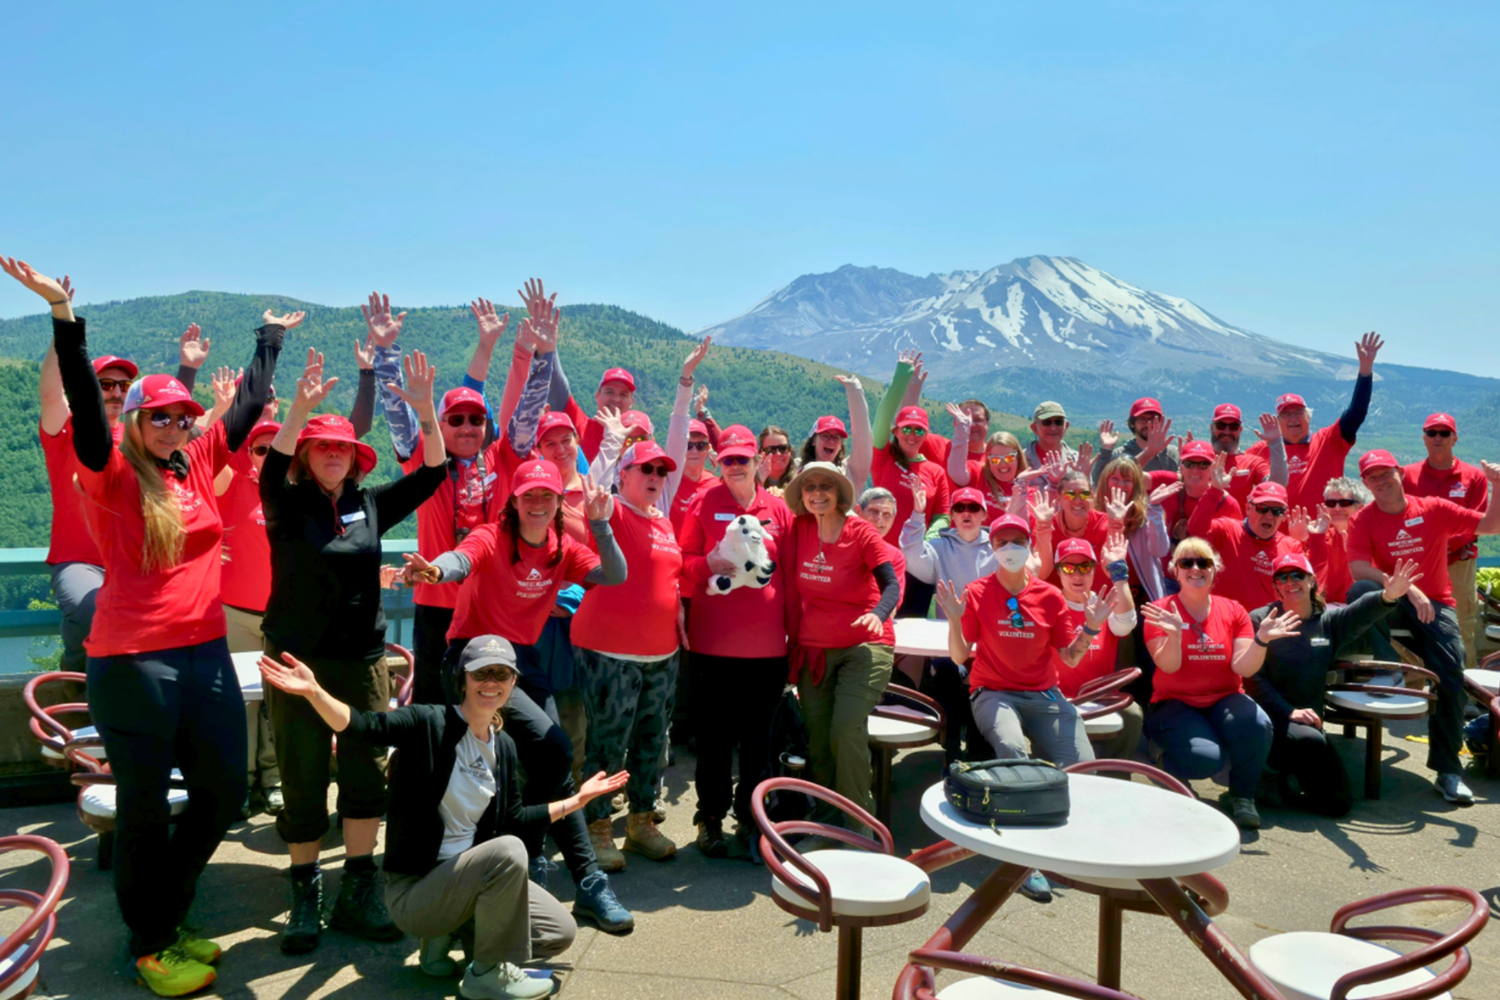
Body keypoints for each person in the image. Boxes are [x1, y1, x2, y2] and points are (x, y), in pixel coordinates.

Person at [32, 250, 284, 996]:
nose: (176, 424)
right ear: (134, 419)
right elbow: (83, 401)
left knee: (222, 797)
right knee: (144, 809)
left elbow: (246, 408)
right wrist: (64, 319)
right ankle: (150, 942)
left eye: (183, 414)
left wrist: (268, 335)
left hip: (205, 655)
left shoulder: (195, 462)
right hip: (135, 663)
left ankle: (167, 915)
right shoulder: (109, 473)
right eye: (159, 415)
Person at [258, 635, 629, 1000]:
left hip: (467, 881)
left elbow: (514, 817)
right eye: (481, 673)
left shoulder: (506, 748)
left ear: (514, 682)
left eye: (501, 674)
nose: (491, 683)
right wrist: (314, 693)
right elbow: (361, 725)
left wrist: (577, 800)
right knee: (509, 852)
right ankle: (485, 973)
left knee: (558, 931)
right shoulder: (428, 723)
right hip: (416, 890)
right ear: (462, 679)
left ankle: (452, 936)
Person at [259, 348, 448, 955]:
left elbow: (433, 475)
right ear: (308, 457)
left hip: (365, 661)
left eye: (342, 447)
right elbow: (270, 469)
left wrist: (425, 412)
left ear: (355, 458)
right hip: (295, 663)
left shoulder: (369, 505)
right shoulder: (286, 506)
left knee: (367, 774)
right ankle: (305, 893)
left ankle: (358, 888)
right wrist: (299, 411)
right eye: (322, 446)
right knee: (303, 773)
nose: (334, 453)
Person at [400, 457, 634, 934]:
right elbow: (461, 559)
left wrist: (599, 523)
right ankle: (551, 872)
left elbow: (615, 576)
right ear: (514, 501)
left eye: (548, 497)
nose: (539, 504)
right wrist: (435, 573)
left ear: (556, 504)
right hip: (474, 658)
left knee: (552, 760)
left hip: (523, 661)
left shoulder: (562, 549)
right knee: (543, 753)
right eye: (530, 496)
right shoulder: (493, 535)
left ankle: (573, 878)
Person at [15, 257, 214, 674]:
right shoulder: (67, 428)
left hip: (135, 553)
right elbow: (53, 393)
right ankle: (76, 674)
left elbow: (176, 422)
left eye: (124, 386)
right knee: (92, 612)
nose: (116, 392)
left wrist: (188, 370)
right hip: (80, 559)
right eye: (105, 384)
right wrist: (61, 319)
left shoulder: (141, 436)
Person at [215, 349, 377, 820]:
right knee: (242, 709)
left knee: (276, 715)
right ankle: (240, 783)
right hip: (236, 612)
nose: (268, 454)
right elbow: (199, 460)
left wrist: (366, 374)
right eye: (259, 447)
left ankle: (272, 783)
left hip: (283, 619)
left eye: (274, 447)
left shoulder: (303, 500)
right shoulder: (233, 483)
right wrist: (231, 406)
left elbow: (350, 435)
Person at [366, 286, 543, 706]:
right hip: (437, 604)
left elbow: (529, 410)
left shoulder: (503, 458)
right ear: (441, 425)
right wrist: (385, 351)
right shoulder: (426, 466)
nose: (467, 427)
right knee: (435, 707)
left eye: (476, 420)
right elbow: (398, 410)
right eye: (457, 420)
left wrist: (544, 354)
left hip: (493, 607)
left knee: (495, 709)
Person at [571, 336, 707, 866]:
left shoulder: (665, 522)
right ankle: (597, 828)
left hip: (660, 656)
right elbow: (595, 487)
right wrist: (611, 446)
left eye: (659, 473)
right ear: (625, 474)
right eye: (644, 470)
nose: (654, 477)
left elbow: (667, 579)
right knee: (607, 744)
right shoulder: (609, 511)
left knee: (653, 743)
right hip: (609, 653)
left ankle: (641, 824)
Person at [1346, 449, 1500, 805]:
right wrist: (1407, 588)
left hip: (1436, 604)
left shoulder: (1432, 508)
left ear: (1400, 472)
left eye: (1386, 473)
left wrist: (1495, 485)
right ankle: (1388, 670)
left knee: (1451, 670)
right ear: (1366, 483)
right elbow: (1357, 568)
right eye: (1372, 477)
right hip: (1396, 600)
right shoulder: (1364, 519)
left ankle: (1448, 772)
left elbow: (1491, 526)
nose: (1380, 481)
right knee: (1362, 592)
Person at [678, 424, 795, 860]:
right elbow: (683, 563)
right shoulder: (703, 503)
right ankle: (709, 819)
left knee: (758, 744)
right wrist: (707, 564)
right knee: (712, 741)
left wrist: (795, 637)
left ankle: (751, 821)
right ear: (718, 462)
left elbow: (790, 576)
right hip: (712, 645)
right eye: (727, 460)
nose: (735, 467)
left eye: (742, 459)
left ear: (757, 462)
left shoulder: (778, 509)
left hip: (767, 649)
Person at [1246, 554, 1416, 818]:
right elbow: (1252, 678)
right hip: (1269, 716)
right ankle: (1269, 773)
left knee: (1337, 805)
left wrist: (1388, 596)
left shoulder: (1327, 622)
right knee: (1307, 739)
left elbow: (1359, 613)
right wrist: (1288, 711)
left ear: (1312, 581)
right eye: (1282, 577)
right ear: (1276, 587)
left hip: (1309, 719)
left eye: (1297, 575)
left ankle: (1293, 772)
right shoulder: (1260, 620)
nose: (1290, 581)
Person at [1142, 538, 1293, 830]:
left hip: (1224, 697)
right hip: (1174, 702)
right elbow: (1168, 666)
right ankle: (1159, 757)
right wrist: (1174, 635)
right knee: (1204, 760)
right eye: (1187, 562)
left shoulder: (1233, 610)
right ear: (1175, 570)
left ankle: (1242, 796)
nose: (1195, 568)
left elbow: (1242, 666)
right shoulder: (1160, 611)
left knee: (1258, 724)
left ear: (1215, 570)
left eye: (1204, 562)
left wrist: (1262, 641)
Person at [783, 461, 901, 833]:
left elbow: (891, 586)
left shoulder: (862, 532)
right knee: (818, 739)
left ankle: (859, 829)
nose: (817, 493)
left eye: (826, 487)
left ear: (839, 494)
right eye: (810, 487)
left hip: (865, 646)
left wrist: (878, 614)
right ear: (802, 495)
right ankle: (827, 822)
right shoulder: (799, 529)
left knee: (846, 731)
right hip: (815, 650)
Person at [901, 486, 997, 763]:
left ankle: (980, 751)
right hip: (948, 639)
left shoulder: (997, 546)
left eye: (973, 508)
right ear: (952, 515)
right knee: (947, 678)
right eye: (960, 508)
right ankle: (951, 749)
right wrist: (918, 515)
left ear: (984, 514)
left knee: (984, 685)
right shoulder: (939, 546)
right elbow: (912, 557)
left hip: (988, 640)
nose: (966, 513)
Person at [1244, 332, 1383, 514]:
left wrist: (1365, 370)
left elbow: (1356, 413)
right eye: (1286, 415)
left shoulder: (1329, 440)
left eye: (1298, 413)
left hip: (1323, 535)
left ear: (1308, 417)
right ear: (1277, 423)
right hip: (1276, 538)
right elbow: (1231, 467)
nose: (1293, 419)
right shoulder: (1261, 450)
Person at [1402, 413, 1490, 670]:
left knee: (1462, 626)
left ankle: (1465, 697)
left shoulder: (1473, 477)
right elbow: (1398, 516)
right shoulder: (1407, 475)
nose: (1437, 438)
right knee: (1412, 629)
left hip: (1457, 566)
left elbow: (1476, 524)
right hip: (1416, 567)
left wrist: (1436, 545)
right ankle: (1417, 695)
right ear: (1424, 438)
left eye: (1444, 433)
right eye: (1432, 433)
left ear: (1455, 438)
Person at [1051, 534, 1142, 763]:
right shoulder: (1049, 603)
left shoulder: (1104, 603)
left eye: (1085, 566)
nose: (1078, 574)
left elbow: (1126, 625)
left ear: (1094, 570)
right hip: (1058, 697)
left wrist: (1118, 573)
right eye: (1069, 567)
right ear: (1059, 571)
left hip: (1102, 696)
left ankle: (1113, 779)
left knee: (1132, 715)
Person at [1186, 477, 1309, 612]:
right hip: (1226, 620)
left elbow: (1311, 586)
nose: (1269, 516)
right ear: (1248, 508)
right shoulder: (1228, 530)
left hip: (1270, 626)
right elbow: (1195, 530)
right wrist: (1214, 491)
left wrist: (1313, 540)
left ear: (1285, 516)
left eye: (1276, 511)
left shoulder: (1291, 546)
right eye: (1262, 508)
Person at [1153, 439, 1241, 544]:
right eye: (1189, 464)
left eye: (1203, 465)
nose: (1195, 470)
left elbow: (1238, 544)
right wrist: (1149, 452)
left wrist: (1216, 489)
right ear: (1181, 468)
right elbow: (1132, 477)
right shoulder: (1170, 485)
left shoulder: (1228, 504)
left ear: (1212, 469)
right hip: (1169, 559)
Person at [1303, 476, 1371, 604]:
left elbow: (1373, 582)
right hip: (1326, 609)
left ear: (1360, 507)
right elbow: (1310, 581)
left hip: (1359, 609)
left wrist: (1352, 554)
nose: (1337, 508)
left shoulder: (1372, 537)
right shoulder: (1320, 536)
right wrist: (1315, 540)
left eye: (1345, 503)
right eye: (1331, 503)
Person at [1207, 405, 1286, 507]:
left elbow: (1276, 486)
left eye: (1233, 426)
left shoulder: (1252, 463)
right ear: (1211, 428)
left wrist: (1276, 442)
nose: (1227, 431)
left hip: (1239, 523)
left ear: (1240, 430)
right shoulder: (1200, 459)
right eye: (1221, 425)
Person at [944, 424, 1030, 512]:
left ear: (1018, 458)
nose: (1003, 464)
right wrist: (962, 431)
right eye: (995, 459)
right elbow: (956, 473)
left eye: (1009, 458)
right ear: (988, 460)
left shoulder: (1028, 491)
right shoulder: (978, 473)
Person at [1091, 397, 1179, 481]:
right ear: (1133, 423)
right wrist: (1106, 450)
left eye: (1153, 419)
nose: (1148, 423)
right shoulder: (1120, 454)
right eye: (1142, 419)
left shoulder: (1172, 453)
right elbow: (1099, 484)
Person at [669, 419, 719, 536]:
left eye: (700, 446)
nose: (694, 451)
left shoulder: (717, 486)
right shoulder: (666, 483)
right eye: (688, 446)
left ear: (707, 449)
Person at [1025, 400, 1078, 470]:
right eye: (1046, 422)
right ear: (1034, 428)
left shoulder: (1077, 459)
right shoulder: (1020, 460)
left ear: (1066, 426)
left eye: (1059, 422)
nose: (1053, 428)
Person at [757, 426, 796, 490]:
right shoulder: (750, 483)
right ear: (761, 454)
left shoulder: (800, 482)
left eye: (783, 448)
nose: (778, 454)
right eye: (771, 450)